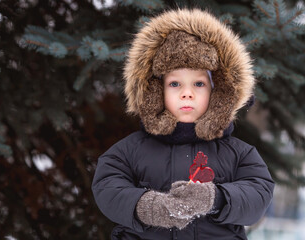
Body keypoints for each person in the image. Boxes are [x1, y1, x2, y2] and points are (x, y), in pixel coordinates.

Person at [92, 8, 274, 240]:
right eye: (175, 84)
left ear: (219, 92)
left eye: (198, 84)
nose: (187, 93)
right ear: (155, 91)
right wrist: (145, 206)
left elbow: (258, 193)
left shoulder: (240, 154)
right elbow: (108, 187)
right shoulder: (129, 151)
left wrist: (215, 198)